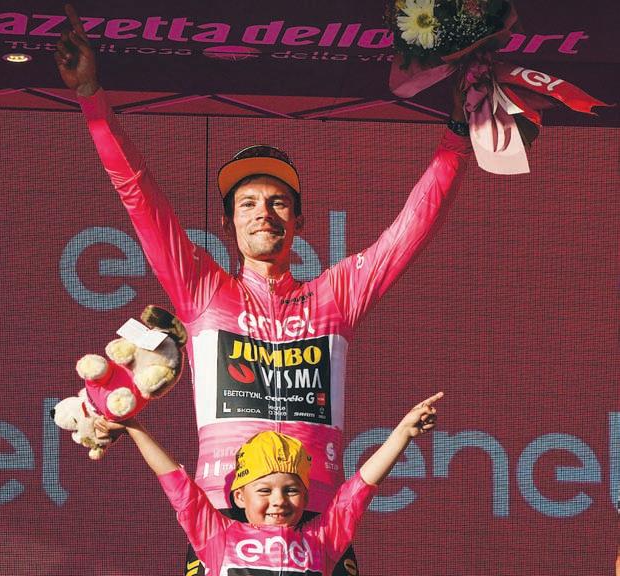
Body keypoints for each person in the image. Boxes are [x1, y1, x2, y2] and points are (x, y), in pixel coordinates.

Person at [55, 5, 472, 574]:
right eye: (247, 203)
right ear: (229, 225)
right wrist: (92, 99)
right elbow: (139, 196)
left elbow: (412, 228)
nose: (263, 213)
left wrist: (456, 138)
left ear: (298, 220)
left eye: (278, 202)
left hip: (318, 520)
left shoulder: (336, 296)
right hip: (225, 518)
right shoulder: (203, 290)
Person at [96, 393, 442, 576]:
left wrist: (403, 433)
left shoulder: (323, 538)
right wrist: (134, 427)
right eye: (264, 490)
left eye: (291, 490)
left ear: (306, 496)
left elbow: (361, 488)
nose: (279, 500)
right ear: (239, 497)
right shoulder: (217, 535)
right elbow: (176, 484)